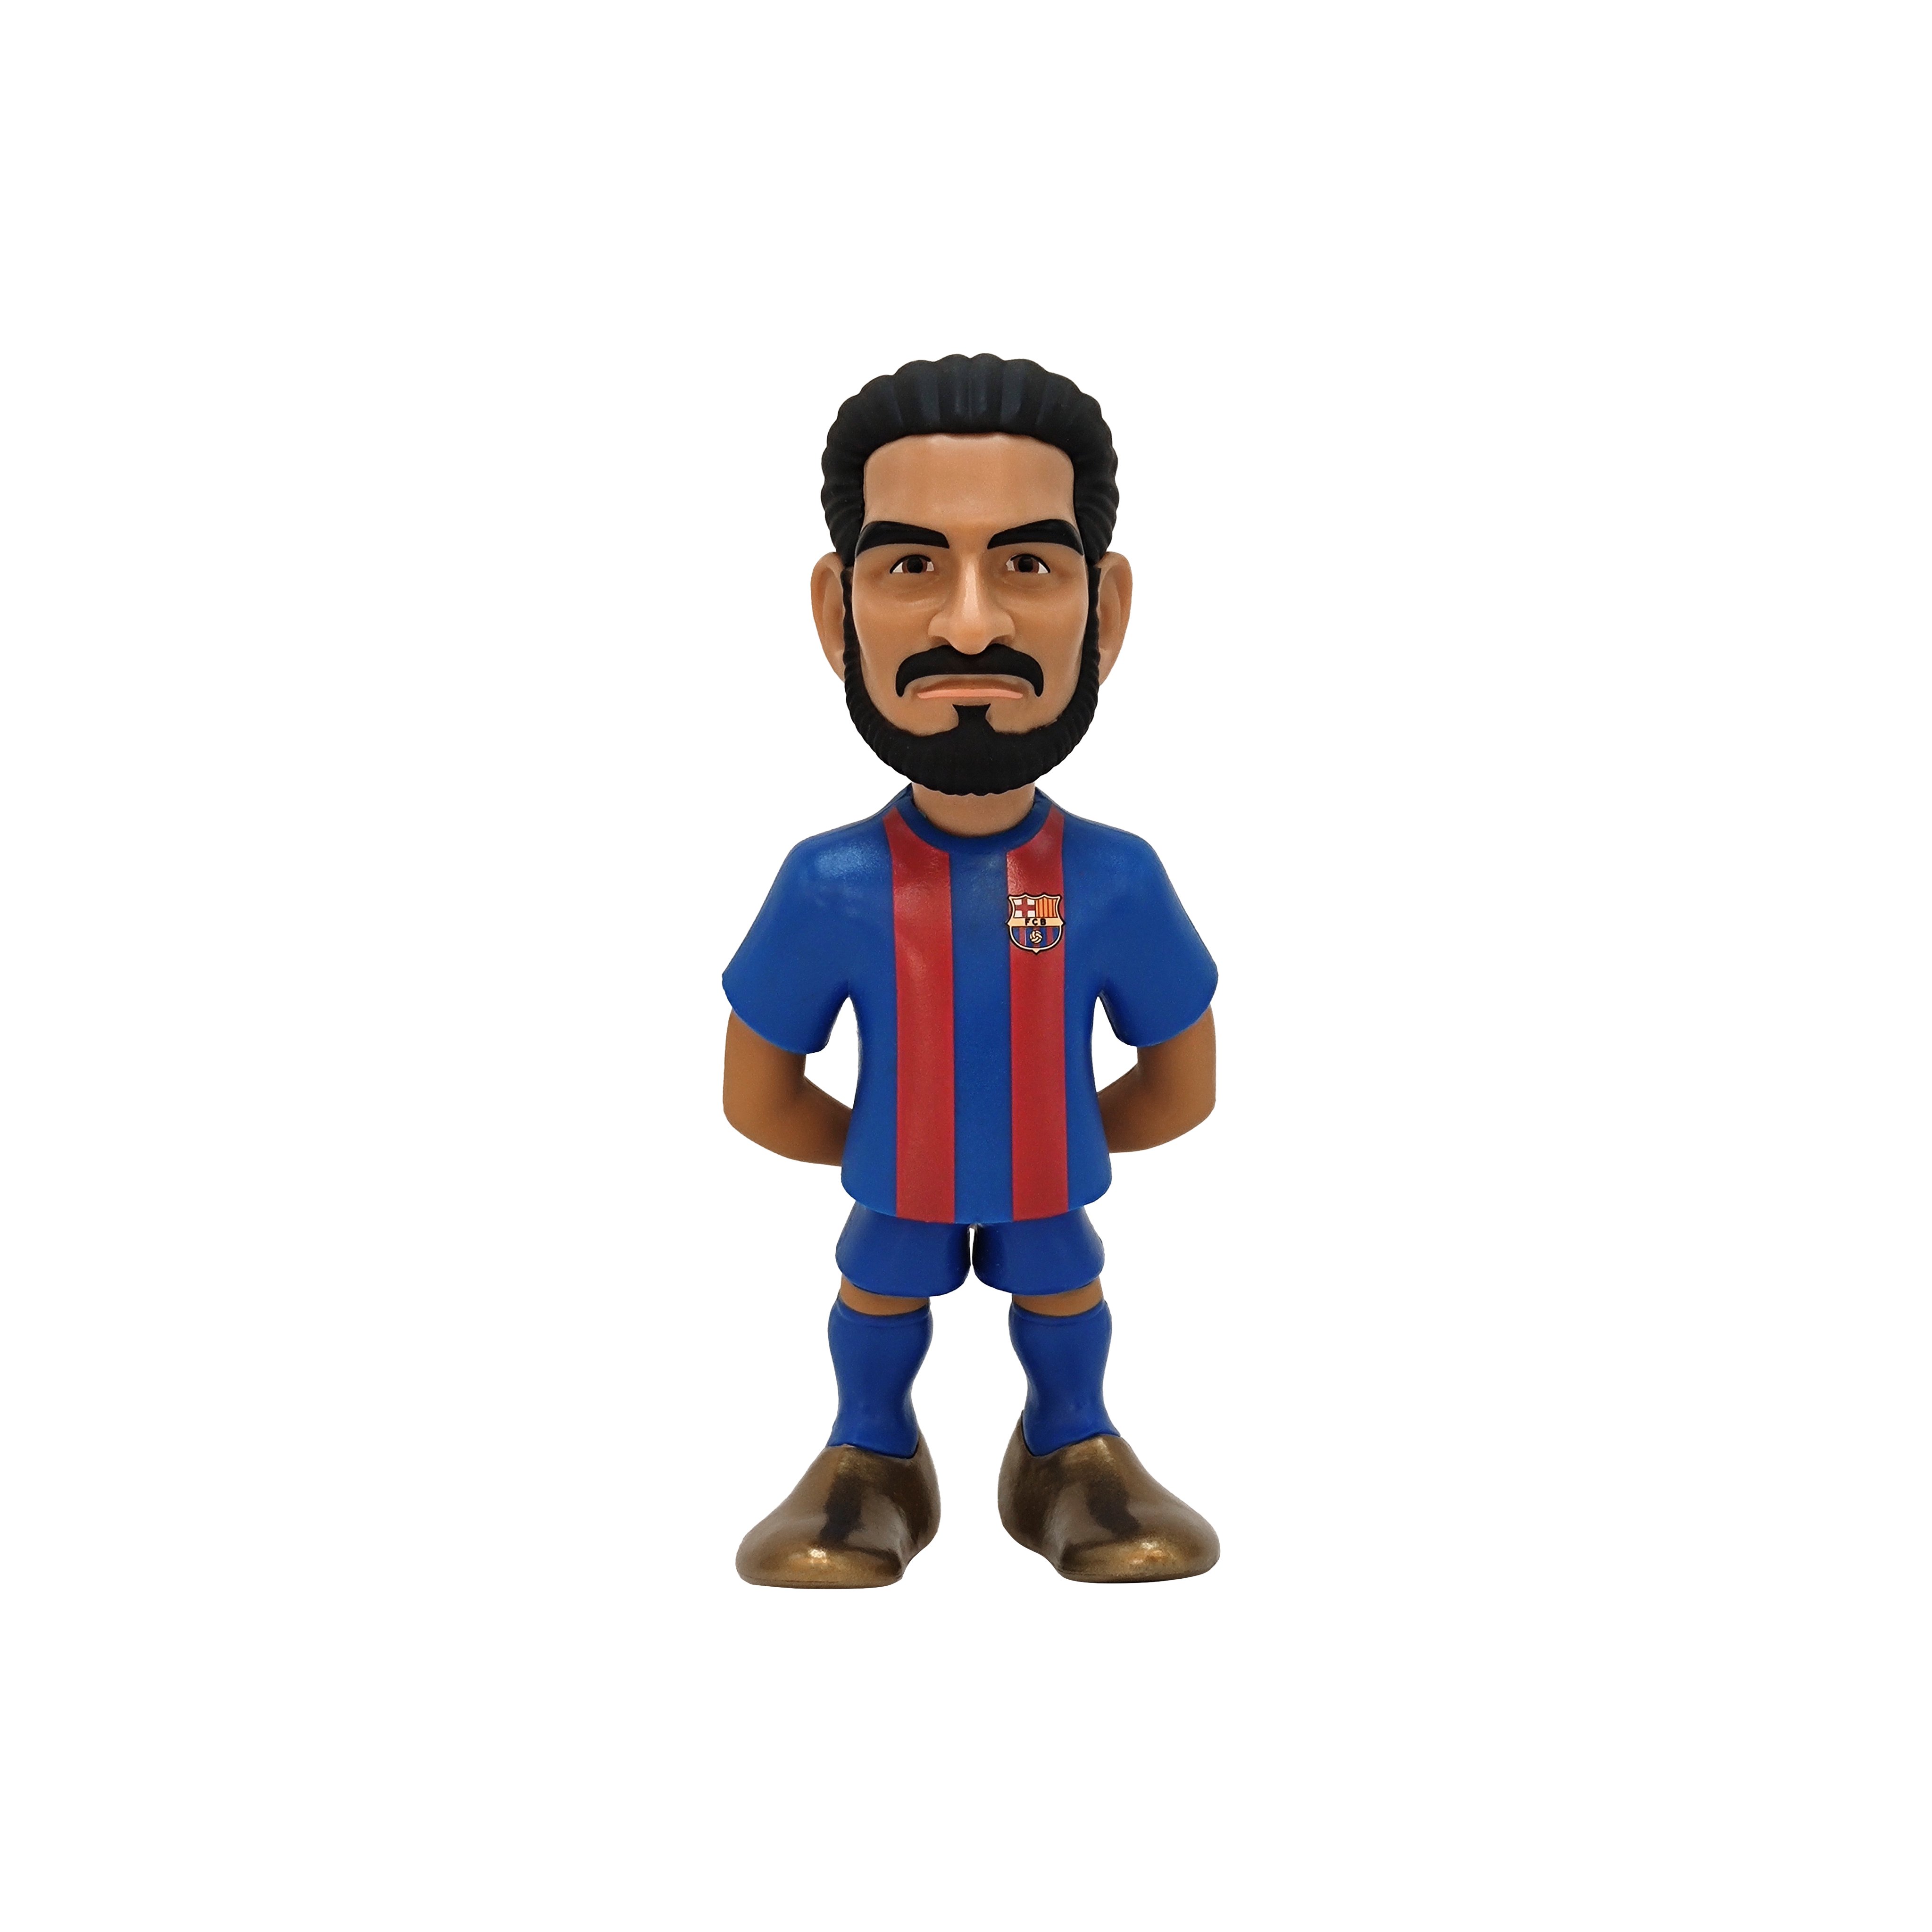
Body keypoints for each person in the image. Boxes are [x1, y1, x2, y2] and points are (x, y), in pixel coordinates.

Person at [722, 355, 1220, 1586]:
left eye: (1029, 566)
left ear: (1105, 610)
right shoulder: (827, 886)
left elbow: (1184, 1083)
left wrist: (1048, 1136)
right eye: (910, 567)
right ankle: (870, 1456)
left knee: (1064, 1301)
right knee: (877, 1304)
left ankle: (1071, 1450)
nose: (971, 625)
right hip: (897, 1186)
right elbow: (756, 1093)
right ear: (837, 612)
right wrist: (891, 1148)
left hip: (1049, 1188)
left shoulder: (1117, 881)